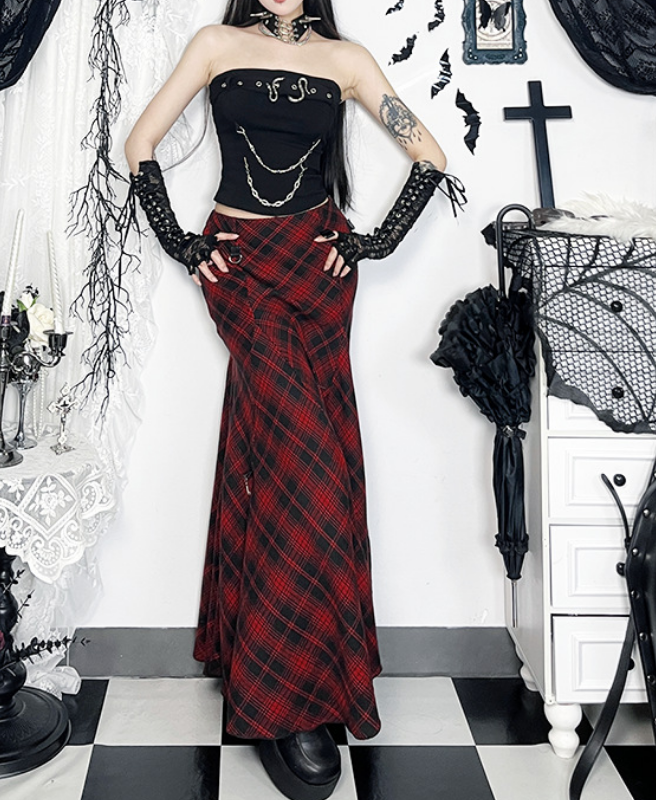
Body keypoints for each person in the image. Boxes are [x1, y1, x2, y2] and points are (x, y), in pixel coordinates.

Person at [125, 2, 456, 798]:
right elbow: (139, 145)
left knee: (294, 460)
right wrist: (182, 244)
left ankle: (284, 664)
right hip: (240, 266)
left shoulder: (346, 59)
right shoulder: (215, 43)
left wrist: (371, 242)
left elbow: (430, 155)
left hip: (318, 267)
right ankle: (288, 702)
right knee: (309, 474)